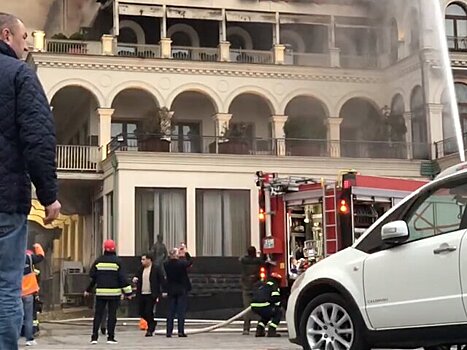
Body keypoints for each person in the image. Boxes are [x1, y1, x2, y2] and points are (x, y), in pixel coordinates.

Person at [0, 12, 61, 350]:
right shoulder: (20, 75)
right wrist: (49, 194)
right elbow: (37, 138)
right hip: (5, 204)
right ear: (7, 35)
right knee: (7, 287)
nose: (27, 47)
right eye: (24, 40)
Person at [84, 240, 133, 345]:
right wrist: (128, 293)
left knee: (98, 315)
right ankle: (110, 337)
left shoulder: (98, 261)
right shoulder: (118, 262)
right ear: (114, 248)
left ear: (104, 248)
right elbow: (122, 279)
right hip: (114, 294)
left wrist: (88, 290)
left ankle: (94, 337)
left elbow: (93, 276)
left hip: (101, 293)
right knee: (112, 315)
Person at [164, 247, 193, 338]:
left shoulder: (166, 264)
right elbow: (190, 262)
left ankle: (169, 332)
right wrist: (185, 253)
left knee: (170, 312)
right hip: (181, 289)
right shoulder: (181, 263)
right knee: (181, 312)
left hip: (171, 289)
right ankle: (181, 331)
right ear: (176, 255)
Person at [132, 253, 164, 337]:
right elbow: (137, 277)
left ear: (149, 260)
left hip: (151, 294)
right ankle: (152, 322)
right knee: (141, 312)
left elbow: (161, 280)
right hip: (142, 293)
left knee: (148, 311)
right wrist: (135, 279)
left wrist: (162, 292)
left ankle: (150, 329)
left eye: (144, 259)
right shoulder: (140, 269)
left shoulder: (156, 269)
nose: (142, 261)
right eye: (141, 259)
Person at [22, 244, 45, 347]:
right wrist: (38, 246)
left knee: (14, 316)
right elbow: (41, 256)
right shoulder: (29, 258)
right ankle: (29, 339)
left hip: (14, 293)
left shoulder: (10, 258)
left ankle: (11, 338)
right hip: (28, 293)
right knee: (28, 317)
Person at [250, 272, 283, 338]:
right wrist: (278, 306)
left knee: (266, 315)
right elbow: (275, 298)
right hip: (263, 305)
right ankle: (271, 331)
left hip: (254, 306)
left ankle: (259, 331)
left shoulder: (264, 285)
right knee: (278, 313)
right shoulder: (274, 285)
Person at [239, 246, 262, 335]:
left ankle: (246, 328)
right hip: (256, 287)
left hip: (246, 286)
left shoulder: (243, 261)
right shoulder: (258, 262)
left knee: (246, 309)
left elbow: (240, 259)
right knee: (261, 307)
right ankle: (260, 328)